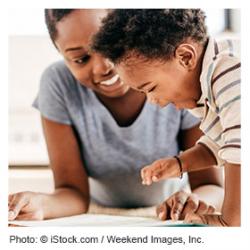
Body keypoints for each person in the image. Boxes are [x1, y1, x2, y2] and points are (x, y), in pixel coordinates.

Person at [8, 9, 224, 223]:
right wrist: (40, 204)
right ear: (61, 55)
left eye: (112, 46)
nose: (104, 67)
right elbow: (71, 192)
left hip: (167, 214)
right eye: (81, 59)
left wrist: (194, 201)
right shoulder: (58, 84)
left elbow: (211, 185)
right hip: (97, 214)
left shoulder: (175, 78)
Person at [92, 9, 240, 226]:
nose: (154, 101)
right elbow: (221, 144)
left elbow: (240, 147)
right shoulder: (209, 84)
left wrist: (231, 221)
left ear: (185, 57)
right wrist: (180, 163)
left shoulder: (229, 70)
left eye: (150, 88)